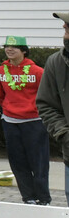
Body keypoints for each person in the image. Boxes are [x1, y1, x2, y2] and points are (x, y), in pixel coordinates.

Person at [0, 36, 52, 205]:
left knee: (39, 162)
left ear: (24, 50)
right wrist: (10, 109)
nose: (9, 49)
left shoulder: (38, 72)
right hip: (10, 122)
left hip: (34, 122)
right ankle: (28, 197)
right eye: (7, 46)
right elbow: (0, 96)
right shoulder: (0, 71)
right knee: (18, 161)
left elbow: (46, 97)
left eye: (14, 47)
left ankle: (44, 198)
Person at [36, 11, 69, 205]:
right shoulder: (55, 62)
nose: (64, 26)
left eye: (68, 24)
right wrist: (65, 134)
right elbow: (46, 104)